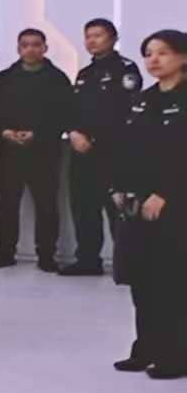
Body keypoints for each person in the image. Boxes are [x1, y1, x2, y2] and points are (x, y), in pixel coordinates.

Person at [111, 29, 187, 380]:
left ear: (183, 57)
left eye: (163, 53)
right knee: (142, 280)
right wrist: (119, 186)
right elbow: (127, 148)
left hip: (176, 205)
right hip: (139, 205)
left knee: (172, 281)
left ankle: (176, 355)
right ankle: (146, 349)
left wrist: (165, 193)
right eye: (148, 53)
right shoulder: (143, 100)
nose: (153, 60)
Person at [0, 28, 74, 271]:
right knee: (6, 204)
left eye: (36, 44)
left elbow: (66, 112)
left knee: (46, 205)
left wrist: (38, 134)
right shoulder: (4, 79)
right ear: (18, 49)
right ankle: (5, 252)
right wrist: (3, 131)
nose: (30, 49)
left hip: (44, 153)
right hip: (8, 152)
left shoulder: (57, 79)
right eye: (25, 45)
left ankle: (47, 256)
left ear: (45, 48)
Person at [63, 17, 144, 277]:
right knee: (83, 207)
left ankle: (127, 265)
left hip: (113, 151)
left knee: (117, 209)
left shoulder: (126, 69)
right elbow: (73, 109)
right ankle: (88, 260)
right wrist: (73, 132)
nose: (91, 41)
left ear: (113, 38)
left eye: (97, 35)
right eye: (88, 36)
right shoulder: (84, 74)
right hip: (81, 152)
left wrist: (94, 138)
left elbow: (124, 112)